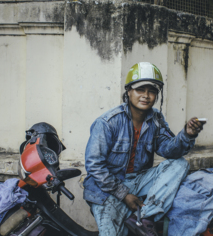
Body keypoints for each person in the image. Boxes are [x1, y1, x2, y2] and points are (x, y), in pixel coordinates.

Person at [83, 62, 205, 236]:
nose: (146, 96)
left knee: (179, 164)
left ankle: (145, 219)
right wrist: (123, 194)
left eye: (152, 91)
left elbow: (168, 150)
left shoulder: (156, 119)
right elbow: (94, 165)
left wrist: (187, 134)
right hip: (107, 187)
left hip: (140, 180)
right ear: (129, 92)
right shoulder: (108, 122)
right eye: (141, 89)